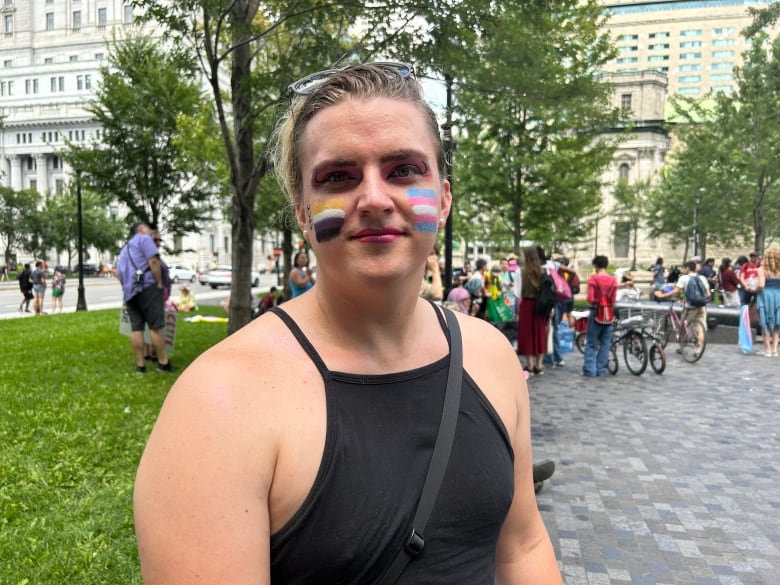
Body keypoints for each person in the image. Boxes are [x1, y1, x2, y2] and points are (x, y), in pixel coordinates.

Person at [134, 62, 561, 585]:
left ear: (444, 198)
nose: (376, 199)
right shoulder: (219, 404)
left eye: (404, 170)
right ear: (304, 213)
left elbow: (522, 546)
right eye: (339, 176)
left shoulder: (490, 355)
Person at [116, 221, 173, 374]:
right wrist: (159, 282)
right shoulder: (144, 239)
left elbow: (118, 273)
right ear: (141, 229)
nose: (151, 231)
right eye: (148, 228)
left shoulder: (124, 249)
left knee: (136, 328)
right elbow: (153, 261)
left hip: (129, 292)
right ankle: (163, 363)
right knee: (156, 327)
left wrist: (127, 286)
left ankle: (140, 366)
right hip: (147, 287)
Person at [654, 260, 710, 350]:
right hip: (702, 306)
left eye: (683, 268)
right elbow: (708, 294)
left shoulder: (684, 278)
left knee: (683, 326)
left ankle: (682, 348)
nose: (683, 270)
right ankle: (698, 351)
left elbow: (676, 291)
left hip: (690, 307)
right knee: (700, 328)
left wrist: (662, 295)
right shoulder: (702, 278)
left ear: (687, 268)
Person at [516, 246, 549, 375]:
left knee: (527, 335)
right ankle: (539, 365)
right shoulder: (543, 271)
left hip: (527, 305)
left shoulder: (521, 271)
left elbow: (518, 293)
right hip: (541, 305)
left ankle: (529, 365)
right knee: (540, 334)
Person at [582, 255, 617, 377]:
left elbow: (590, 298)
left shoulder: (593, 280)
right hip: (609, 315)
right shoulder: (613, 280)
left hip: (596, 312)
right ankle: (601, 369)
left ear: (595, 266)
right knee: (605, 343)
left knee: (591, 343)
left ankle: (590, 370)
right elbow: (613, 300)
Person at [756, 248, 780, 357]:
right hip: (778, 296)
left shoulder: (761, 269)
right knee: (777, 323)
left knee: (765, 322)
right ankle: (775, 349)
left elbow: (761, 284)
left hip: (766, 296)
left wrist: (755, 290)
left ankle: (767, 350)